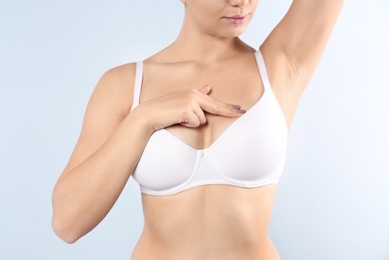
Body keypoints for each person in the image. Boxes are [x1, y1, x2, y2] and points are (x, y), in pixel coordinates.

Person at [52, 0, 344, 259]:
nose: (241, 2)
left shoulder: (282, 64)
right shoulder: (125, 85)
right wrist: (143, 119)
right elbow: (68, 223)